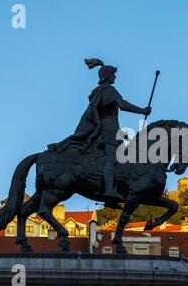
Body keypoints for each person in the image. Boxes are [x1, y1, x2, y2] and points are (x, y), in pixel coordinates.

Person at [60, 58, 151, 201]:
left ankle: (112, 188)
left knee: (120, 160)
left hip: (107, 129)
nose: (115, 76)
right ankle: (109, 189)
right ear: (107, 75)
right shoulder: (109, 90)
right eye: (113, 74)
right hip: (108, 131)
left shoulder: (98, 92)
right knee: (112, 158)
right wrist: (142, 111)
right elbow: (122, 104)